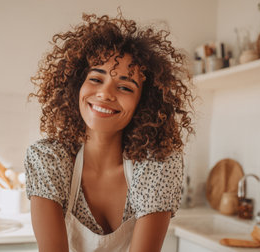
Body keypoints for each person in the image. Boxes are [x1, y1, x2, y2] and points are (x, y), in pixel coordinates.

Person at [25, 11, 194, 252]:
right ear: (76, 86)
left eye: (125, 86)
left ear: (143, 103)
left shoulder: (157, 165)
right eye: (95, 79)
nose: (105, 93)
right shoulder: (49, 160)